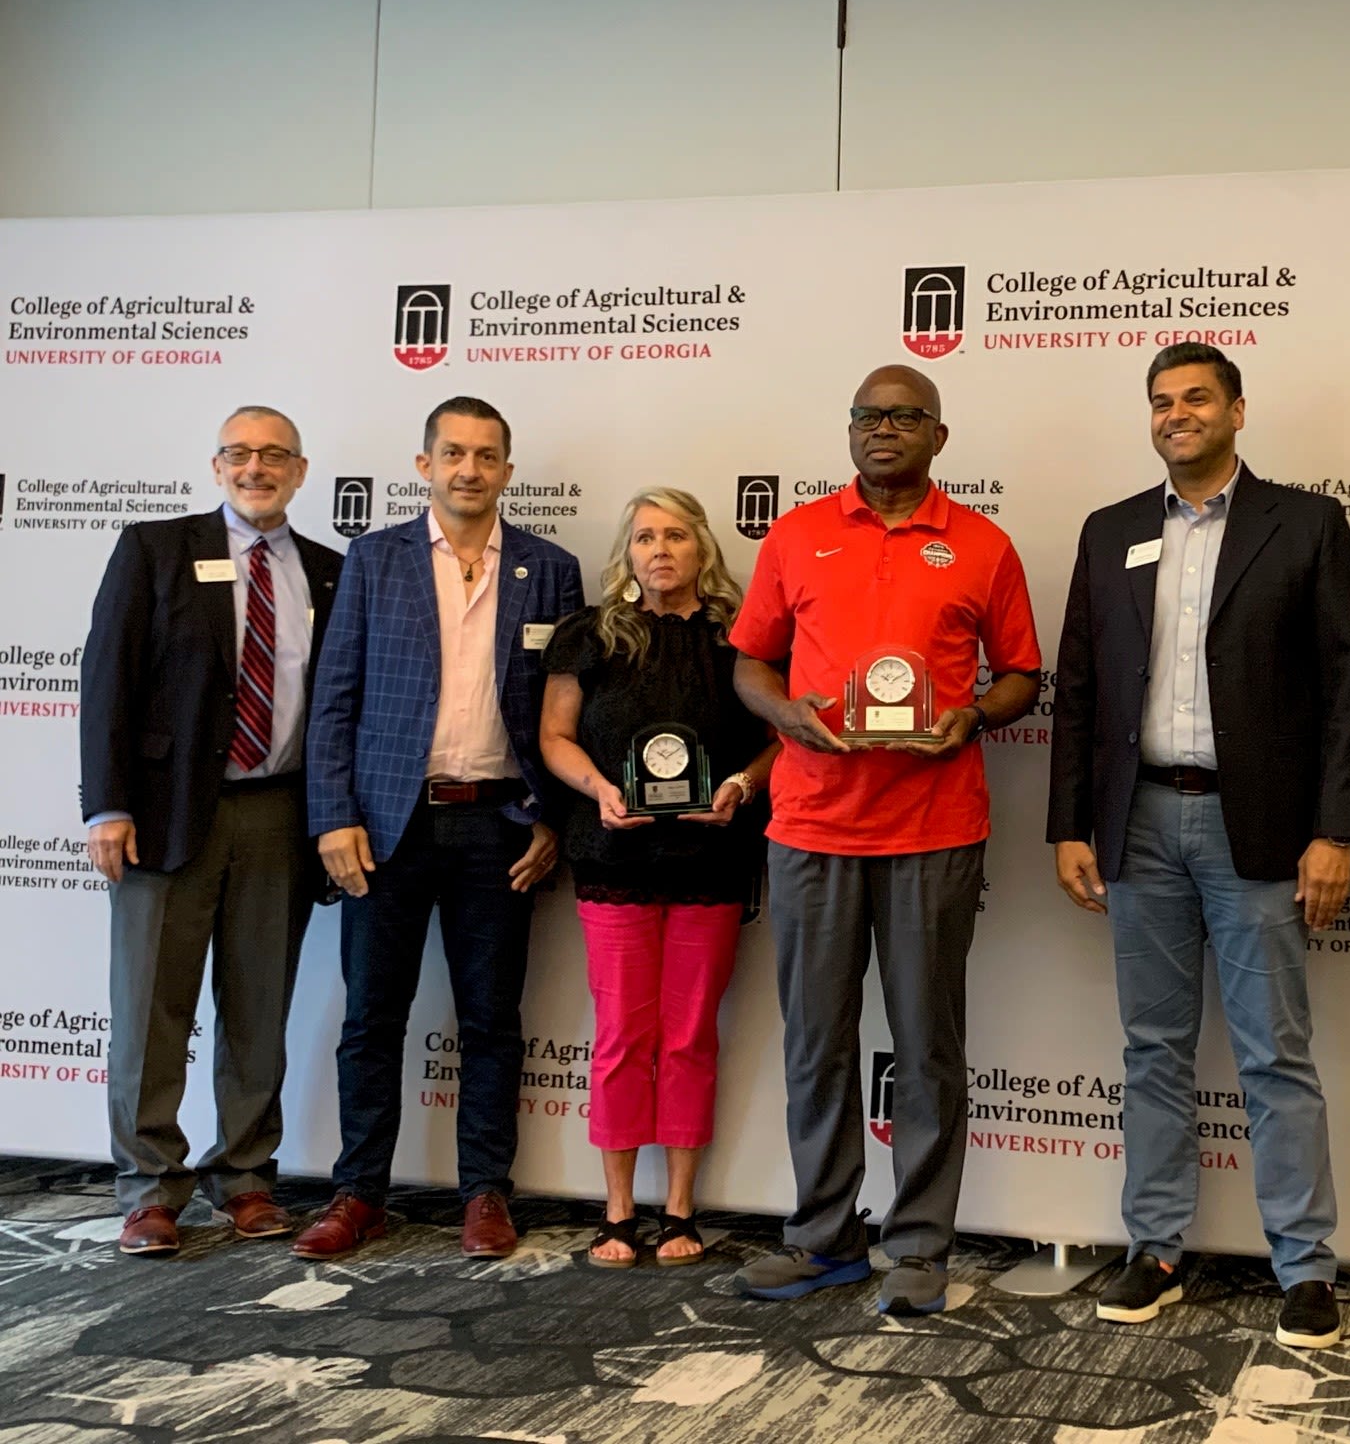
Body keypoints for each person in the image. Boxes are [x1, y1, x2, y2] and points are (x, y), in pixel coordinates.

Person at [1046, 342, 1350, 1349]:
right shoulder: (1110, 534)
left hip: (1260, 828)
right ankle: (1154, 1247)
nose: (1176, 414)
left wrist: (1335, 829)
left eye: (1196, 398)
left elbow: (1345, 692)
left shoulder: (1306, 525)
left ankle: (1305, 1266)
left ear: (1237, 411)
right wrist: (1068, 823)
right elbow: (1081, 692)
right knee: (1151, 1048)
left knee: (1276, 1052)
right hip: (1139, 823)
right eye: (1161, 402)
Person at [728, 364, 1041, 1316]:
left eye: (905, 416)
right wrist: (789, 713)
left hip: (932, 830)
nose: (883, 430)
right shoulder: (797, 535)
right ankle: (823, 1238)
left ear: (939, 437)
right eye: (867, 416)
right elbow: (749, 663)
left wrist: (973, 716)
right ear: (850, 429)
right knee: (815, 1044)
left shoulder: (983, 545)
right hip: (813, 826)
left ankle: (917, 1247)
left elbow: (1022, 673)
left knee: (926, 1047)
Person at [293, 395, 583, 1262]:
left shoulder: (551, 569)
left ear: (506, 469)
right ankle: (358, 1194)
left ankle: (486, 1193)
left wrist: (551, 817)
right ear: (423, 465)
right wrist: (333, 816)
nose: (468, 469)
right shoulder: (374, 560)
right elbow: (334, 701)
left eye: (486, 455)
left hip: (500, 826)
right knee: (372, 1018)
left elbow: (571, 712)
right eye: (452, 453)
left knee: (492, 1019)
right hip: (386, 827)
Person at [79, 407, 343, 1257]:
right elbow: (106, 682)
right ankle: (150, 1189)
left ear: (301, 472)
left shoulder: (330, 573)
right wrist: (106, 806)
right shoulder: (155, 549)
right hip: (164, 818)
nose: (256, 467)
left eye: (274, 456)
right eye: (240, 453)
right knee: (151, 1006)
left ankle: (248, 1179)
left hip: (281, 811)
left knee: (259, 1008)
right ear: (216, 464)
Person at [539, 487, 777, 1267]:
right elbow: (556, 736)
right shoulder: (589, 636)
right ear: (627, 551)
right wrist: (599, 791)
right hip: (615, 859)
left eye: (676, 534)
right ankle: (615, 1211)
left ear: (703, 546)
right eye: (644, 537)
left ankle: (678, 1208)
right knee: (620, 1037)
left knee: (688, 1037)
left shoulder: (740, 636)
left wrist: (742, 784)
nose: (660, 549)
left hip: (710, 860)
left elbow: (782, 735)